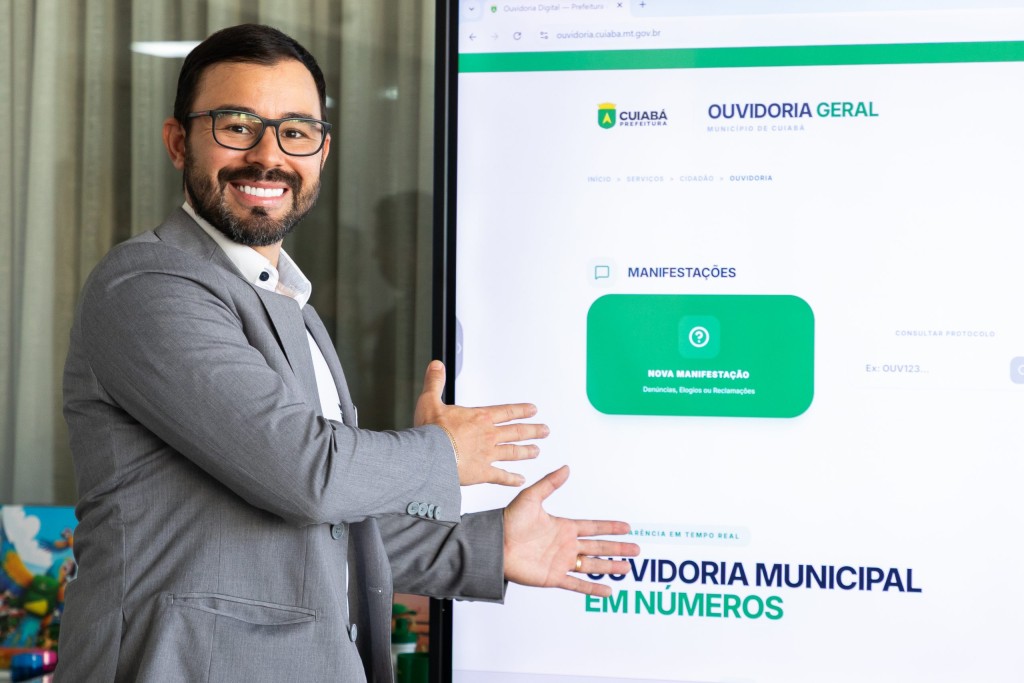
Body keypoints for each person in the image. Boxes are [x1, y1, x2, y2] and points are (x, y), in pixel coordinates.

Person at [57, 23, 638, 683]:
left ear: (322, 153)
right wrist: (444, 454)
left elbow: (325, 524)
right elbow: (306, 474)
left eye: (295, 131)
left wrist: (489, 545)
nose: (268, 156)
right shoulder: (147, 285)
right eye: (237, 126)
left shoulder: (288, 301)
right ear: (176, 141)